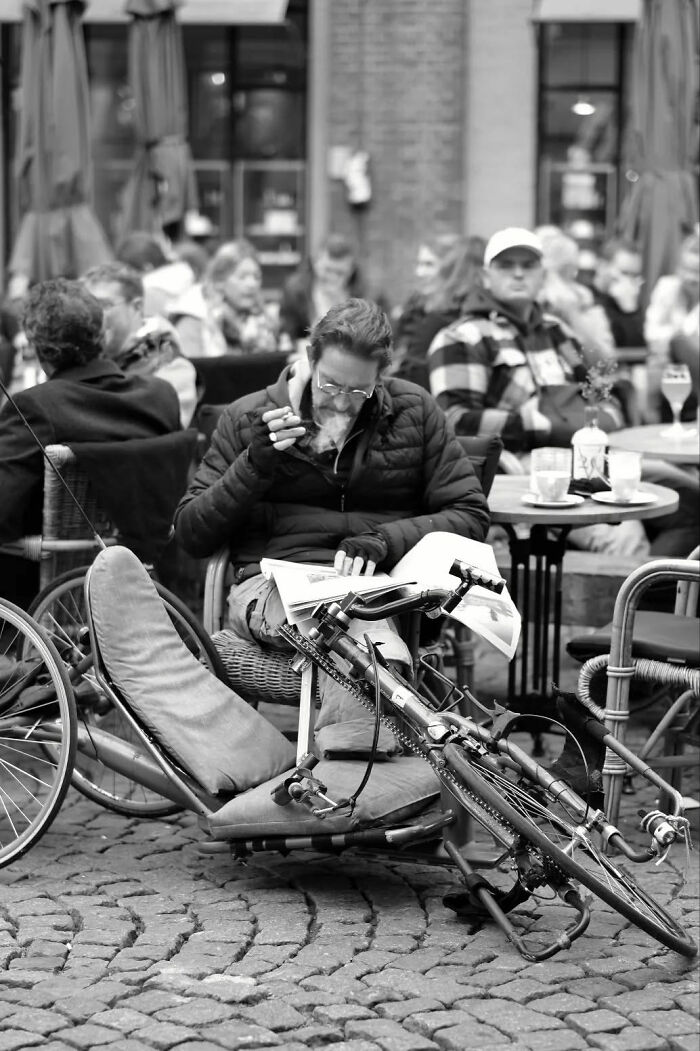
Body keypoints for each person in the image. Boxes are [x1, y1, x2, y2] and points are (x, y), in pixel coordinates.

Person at [175, 297, 489, 756]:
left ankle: (344, 786)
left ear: (379, 379)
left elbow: (470, 512)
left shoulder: (412, 411)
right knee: (361, 643)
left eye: (358, 391)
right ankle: (363, 780)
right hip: (270, 586)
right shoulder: (250, 417)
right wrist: (253, 465)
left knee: (354, 629)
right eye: (330, 384)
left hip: (379, 587)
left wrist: (385, 540)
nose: (341, 403)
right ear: (309, 360)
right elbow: (191, 533)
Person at [427, 226, 699, 559]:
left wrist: (605, 416)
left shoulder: (556, 332)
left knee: (692, 498)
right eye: (505, 265)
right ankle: (617, 598)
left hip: (593, 459)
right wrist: (546, 425)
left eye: (528, 265)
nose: (517, 272)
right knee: (625, 538)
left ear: (543, 274)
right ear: (485, 276)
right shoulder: (462, 337)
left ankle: (657, 597)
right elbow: (455, 421)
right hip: (524, 472)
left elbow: (601, 385)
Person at [0, 279, 181, 606]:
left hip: (46, 594)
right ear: (102, 333)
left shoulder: (37, 407)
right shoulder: (160, 396)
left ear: (37, 347)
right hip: (148, 581)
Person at [81, 263, 198, 429]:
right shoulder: (82, 358)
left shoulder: (171, 365)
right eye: (85, 306)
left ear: (136, 307)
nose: (91, 316)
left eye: (103, 305)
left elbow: (158, 434)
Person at [392, 234, 486, 390]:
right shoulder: (419, 309)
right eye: (419, 264)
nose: (419, 272)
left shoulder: (450, 312)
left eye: (429, 264)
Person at [278, 234, 388, 354]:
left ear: (351, 270)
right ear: (315, 262)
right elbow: (287, 335)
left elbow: (381, 338)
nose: (332, 278)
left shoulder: (368, 295)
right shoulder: (295, 289)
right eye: (327, 270)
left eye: (340, 273)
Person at [170, 239, 278, 358]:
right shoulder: (193, 318)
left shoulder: (261, 319)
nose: (252, 284)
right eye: (242, 277)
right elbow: (191, 370)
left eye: (256, 277)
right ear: (219, 281)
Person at [645, 229, 700, 423]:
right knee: (665, 358)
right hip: (667, 361)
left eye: (697, 272)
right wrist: (680, 337)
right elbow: (651, 333)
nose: (690, 277)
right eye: (686, 269)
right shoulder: (667, 287)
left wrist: (678, 337)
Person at [591, 239, 646, 348]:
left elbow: (637, 353)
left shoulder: (629, 301)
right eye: (624, 273)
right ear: (602, 266)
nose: (629, 282)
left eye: (634, 276)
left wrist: (630, 312)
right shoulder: (585, 300)